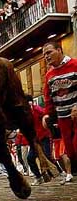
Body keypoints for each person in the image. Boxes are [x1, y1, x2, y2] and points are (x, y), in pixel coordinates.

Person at [42, 42, 77, 173]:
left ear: (59, 50)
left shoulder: (74, 65)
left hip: (76, 113)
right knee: (70, 151)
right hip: (62, 117)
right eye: (44, 54)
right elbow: (47, 97)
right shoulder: (49, 75)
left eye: (49, 52)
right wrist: (47, 115)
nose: (46, 56)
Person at [25, 95, 51, 186]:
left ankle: (63, 172)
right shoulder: (24, 114)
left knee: (48, 155)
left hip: (44, 137)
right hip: (34, 140)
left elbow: (46, 115)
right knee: (30, 158)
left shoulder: (37, 109)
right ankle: (38, 177)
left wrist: (45, 118)